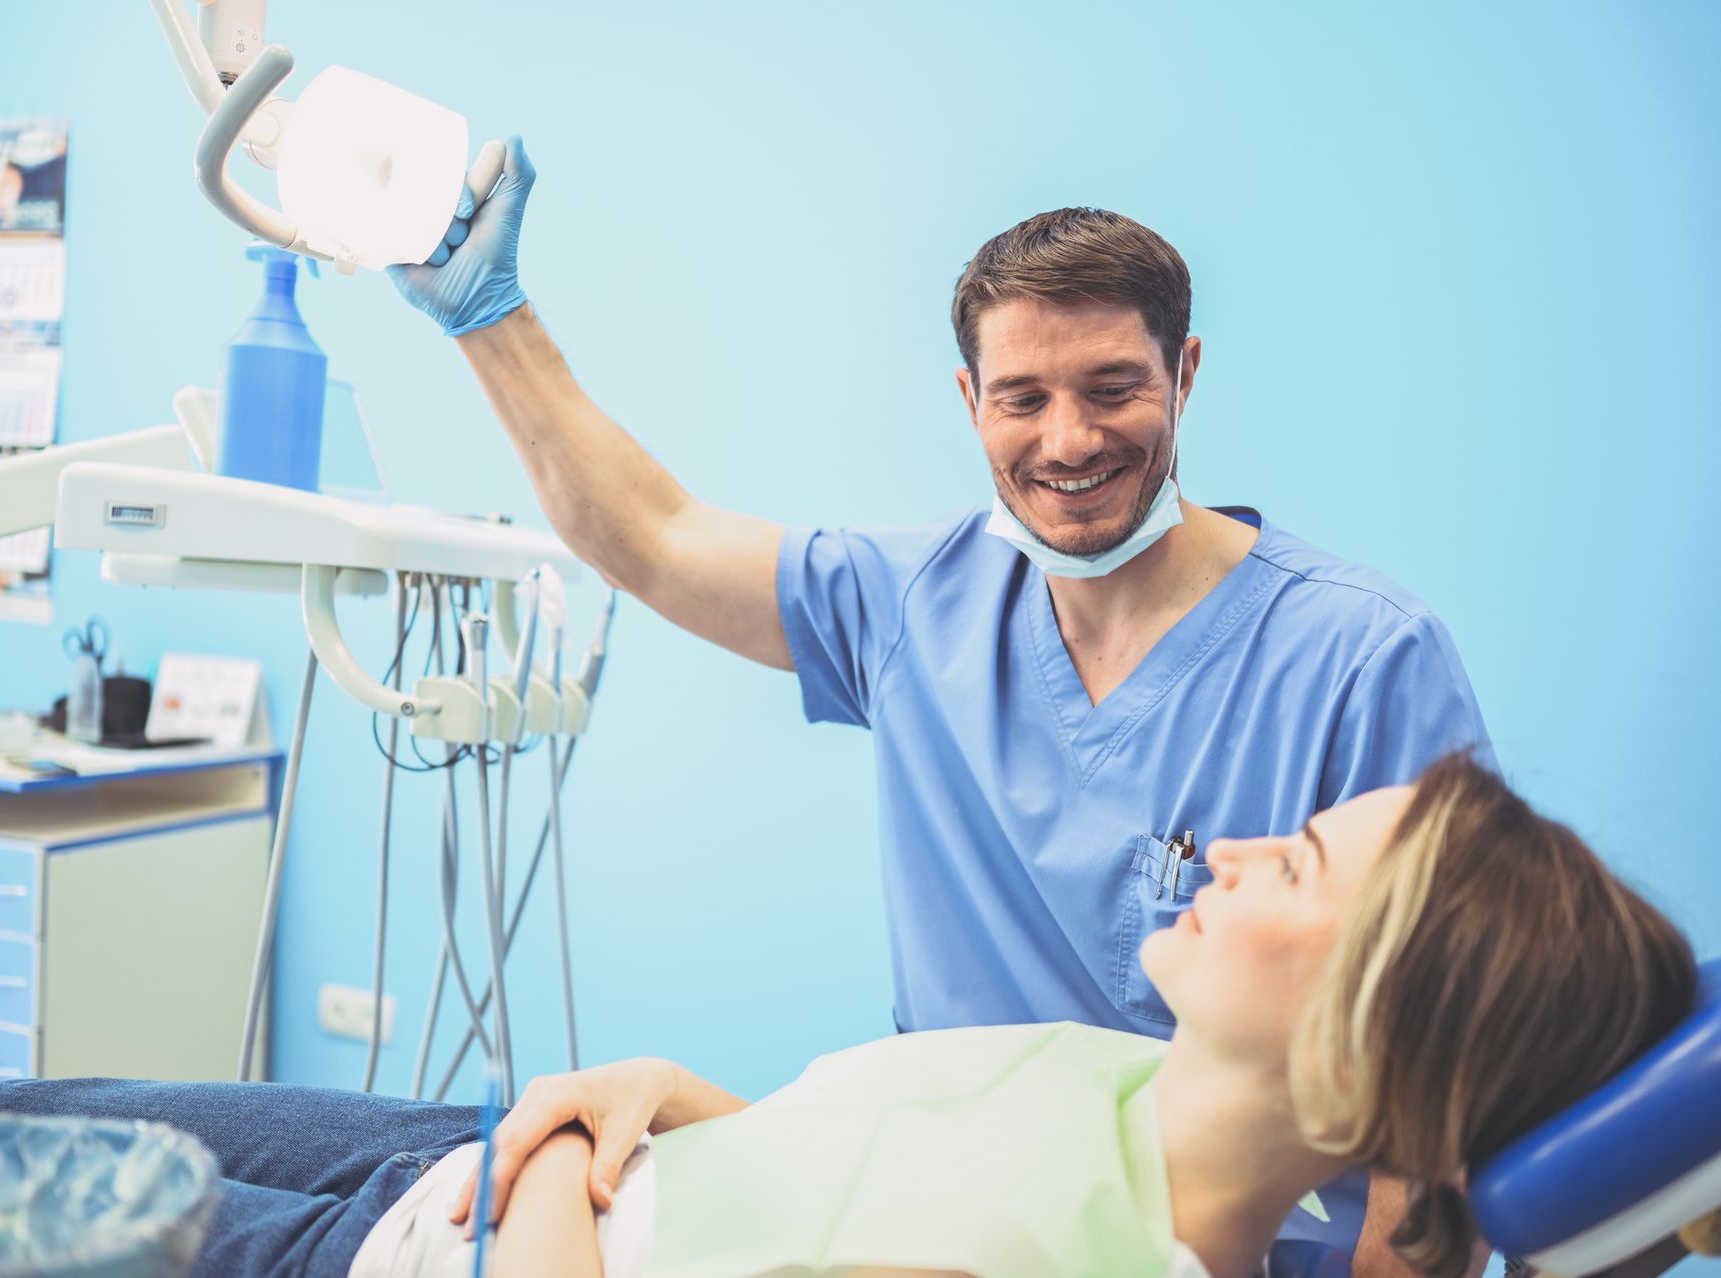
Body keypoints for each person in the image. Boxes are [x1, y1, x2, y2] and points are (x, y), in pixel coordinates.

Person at [384, 139, 1493, 1269]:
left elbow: (1442, 1085)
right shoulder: (920, 601)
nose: (1069, 440)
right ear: (970, 401)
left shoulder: (1361, 657)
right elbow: (658, 539)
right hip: (919, 1201)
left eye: (1114, 388)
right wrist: (491, 318)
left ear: (1186, 374)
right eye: (1023, 398)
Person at [0, 755, 1697, 1278]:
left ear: (1369, 1031)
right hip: (486, 1163)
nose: (1235, 849)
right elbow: (839, 1164)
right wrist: (646, 1089)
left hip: (432, 1249)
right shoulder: (1118, 1084)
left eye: (1299, 861)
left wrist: (556, 1162)